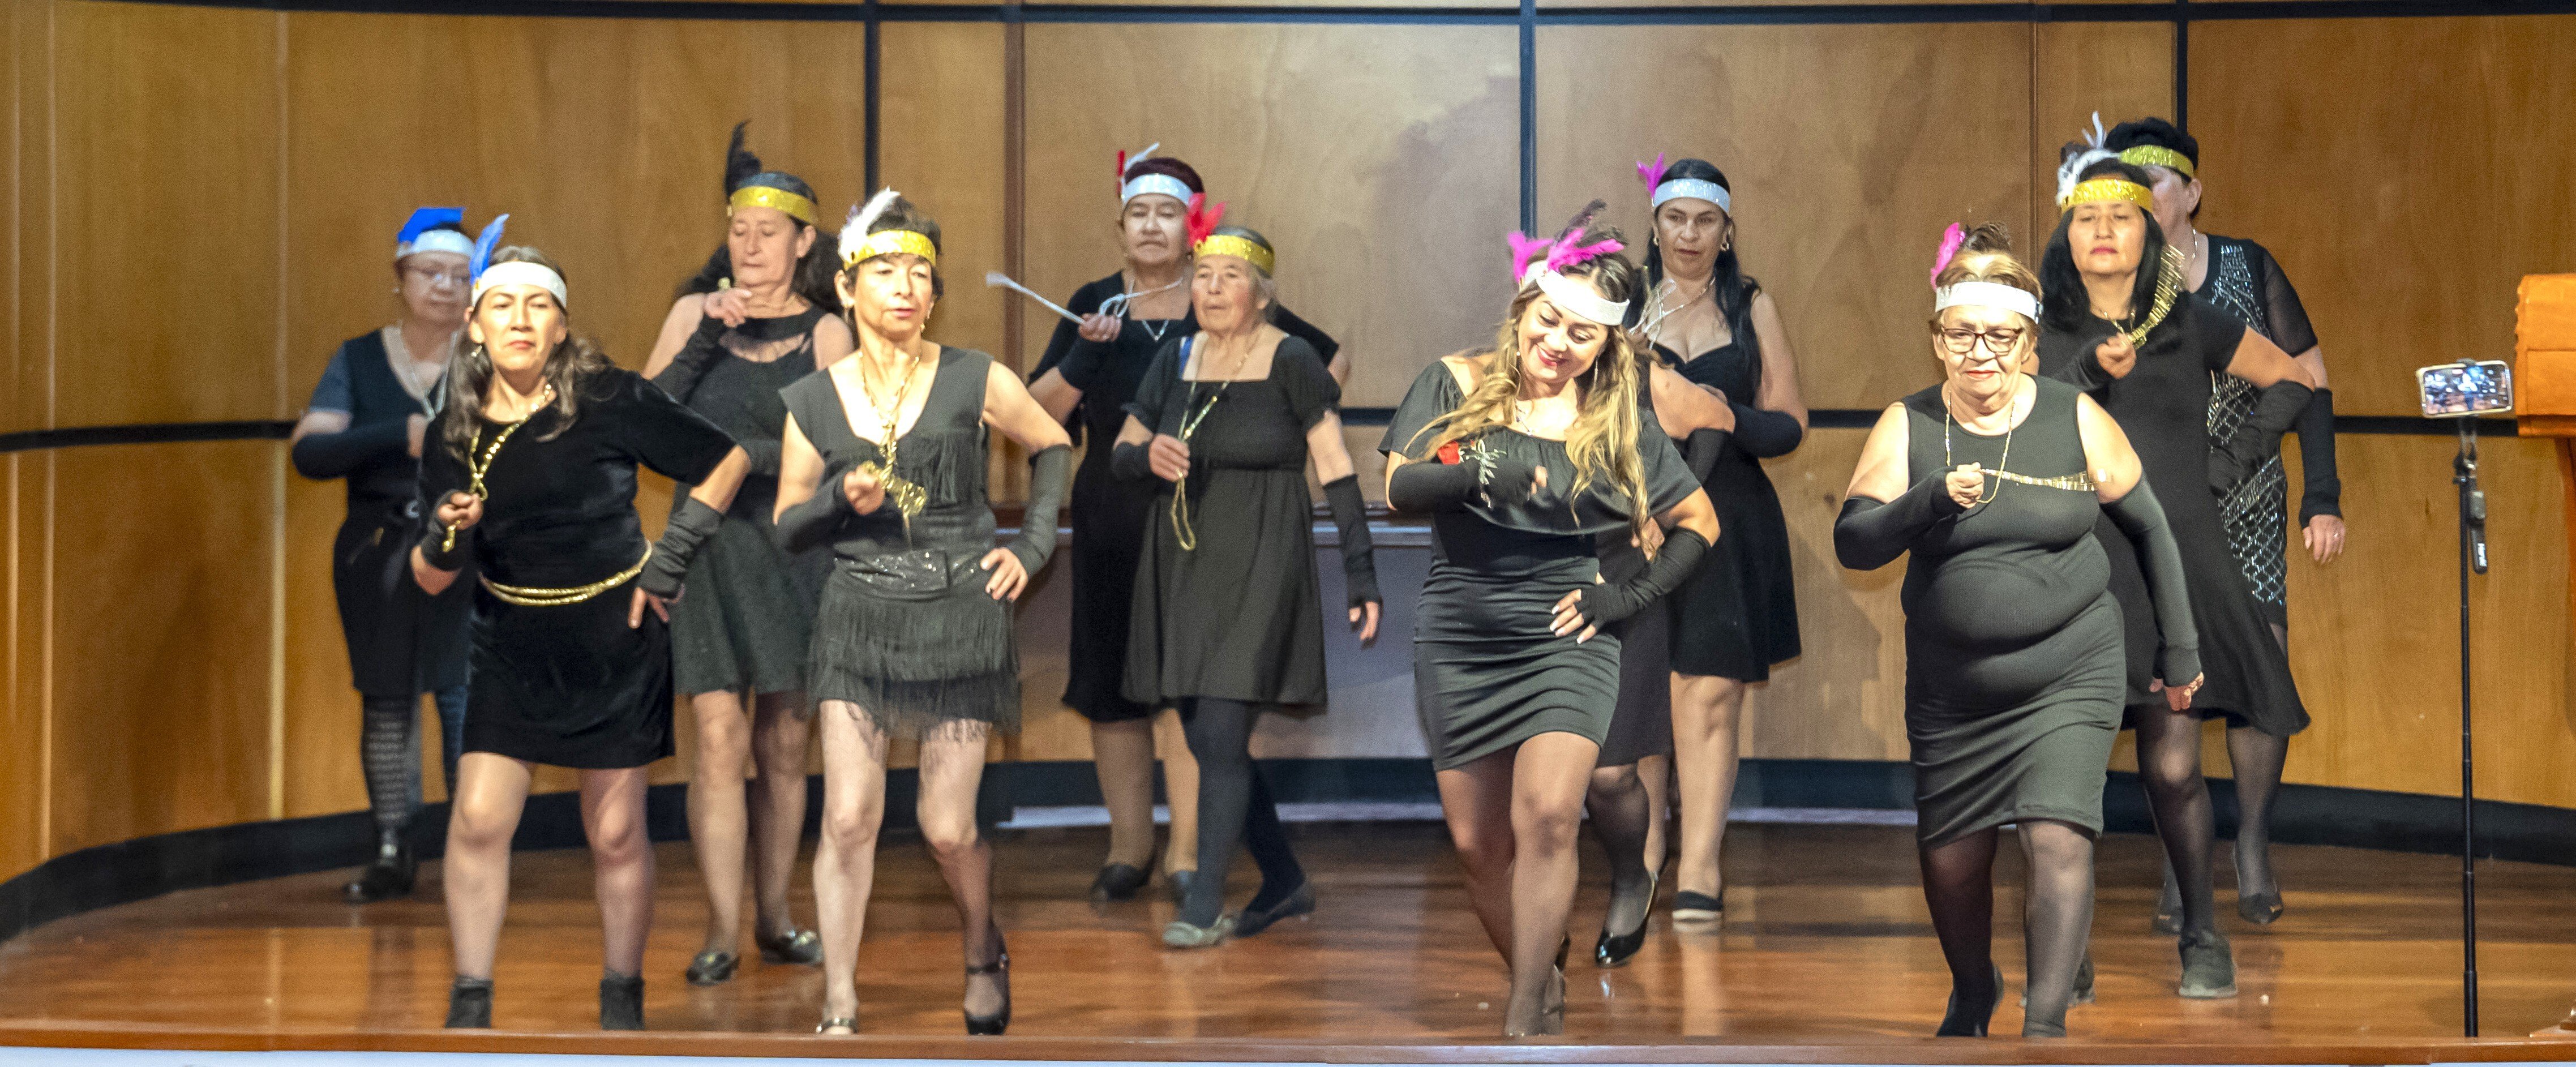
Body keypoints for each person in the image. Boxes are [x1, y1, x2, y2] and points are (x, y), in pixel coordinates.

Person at [1835, 223, 2200, 1038]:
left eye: (2000, 336)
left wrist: (2180, 650)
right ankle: (1975, 988)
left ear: (2029, 346)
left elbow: (2150, 526)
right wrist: (1927, 499)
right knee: (1952, 864)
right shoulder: (1908, 423)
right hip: (1952, 691)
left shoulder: (2074, 416)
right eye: (1962, 334)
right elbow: (1854, 542)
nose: (1981, 352)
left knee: (2058, 836)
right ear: (1937, 340)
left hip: (2069, 669)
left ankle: (2044, 1033)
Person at [1379, 206, 1719, 1035]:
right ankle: (1542, 973)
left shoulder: (1616, 418)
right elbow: (1397, 486)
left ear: (1605, 345)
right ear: (1524, 307)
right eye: (1549, 319)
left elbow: (1698, 522)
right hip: (1460, 630)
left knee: (1547, 816)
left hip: (1567, 631)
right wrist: (1472, 469)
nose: (1558, 342)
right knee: (1477, 846)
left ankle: (1525, 1012)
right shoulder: (1453, 383)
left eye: (1582, 333)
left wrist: (1624, 599)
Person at [413, 232, 752, 1031]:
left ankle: (621, 1002)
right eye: (502, 305)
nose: (520, 319)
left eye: (538, 305)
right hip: (510, 642)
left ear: (561, 326)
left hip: (613, 638)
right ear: (475, 324)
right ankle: (470, 1006)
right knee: (478, 817)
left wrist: (671, 558)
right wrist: (445, 532)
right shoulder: (451, 430)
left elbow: (726, 459)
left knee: (615, 832)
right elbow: (430, 577)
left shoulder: (608, 398)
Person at [773, 190, 1073, 1036]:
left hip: (959, 611)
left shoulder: (976, 376)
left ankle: (982, 946)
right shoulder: (813, 398)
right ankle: (839, 1001)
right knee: (846, 817)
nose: (906, 287)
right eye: (886, 271)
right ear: (846, 286)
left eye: (920, 274)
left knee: (946, 828)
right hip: (858, 615)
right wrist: (839, 497)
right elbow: (788, 523)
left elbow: (1053, 444)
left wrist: (1032, 547)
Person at [1026, 147, 1344, 903]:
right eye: (1137, 213)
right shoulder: (1092, 303)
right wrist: (1083, 355)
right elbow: (1036, 416)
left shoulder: (1224, 297)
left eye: (1167, 213)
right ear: (1119, 227)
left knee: (1193, 693)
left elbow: (1325, 362)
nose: (1150, 226)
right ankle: (1128, 847)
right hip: (1112, 521)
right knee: (1113, 687)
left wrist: (1271, 432)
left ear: (1193, 228)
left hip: (1204, 527)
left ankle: (1190, 850)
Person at [2036, 155, 2320, 1000]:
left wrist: (2223, 468)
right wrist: (2087, 372)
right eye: (2086, 217)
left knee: (2171, 767)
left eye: (2120, 216)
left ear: (2148, 233)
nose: (2102, 231)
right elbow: (2012, 416)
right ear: (2066, 233)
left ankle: (2202, 935)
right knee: (2063, 773)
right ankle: (2065, 949)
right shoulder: (2035, 325)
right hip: (2072, 568)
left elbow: (2295, 381)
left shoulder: (2188, 320)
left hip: (2169, 569)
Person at [1105, 216, 1381, 947]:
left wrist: (1361, 572)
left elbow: (1335, 467)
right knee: (1208, 738)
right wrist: (1146, 457)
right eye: (1202, 276)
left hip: (1262, 561)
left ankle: (1203, 902)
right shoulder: (1174, 359)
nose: (1212, 288)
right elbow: (1122, 451)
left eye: (1230, 277)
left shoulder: (1291, 358)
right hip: (1183, 567)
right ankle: (1284, 879)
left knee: (1222, 730)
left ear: (1261, 294)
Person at [2104, 117, 2344, 928]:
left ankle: (2251, 843)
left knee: (2257, 668)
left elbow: (2308, 378)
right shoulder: (2112, 284)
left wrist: (2322, 495)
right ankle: (2185, 863)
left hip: (2244, 504)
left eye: (2153, 183)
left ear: (2191, 192)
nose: (2139, 201)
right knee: (2169, 683)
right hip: (2155, 513)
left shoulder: (2246, 266)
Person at [640, 124, 854, 986]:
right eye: (739, 230)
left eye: (769, 232)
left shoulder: (828, 332)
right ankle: (721, 928)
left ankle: (776, 914)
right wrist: (704, 336)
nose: (751, 245)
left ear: (804, 243)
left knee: (785, 743)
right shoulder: (692, 314)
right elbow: (645, 425)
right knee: (718, 738)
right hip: (708, 550)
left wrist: (743, 459)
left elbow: (837, 449)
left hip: (793, 548)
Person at [1630, 157, 1807, 926]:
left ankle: (1700, 863)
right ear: (1654, 224)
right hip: (1633, 519)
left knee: (1706, 695)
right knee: (1641, 692)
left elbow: (1789, 424)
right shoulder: (1622, 303)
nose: (1689, 234)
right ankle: (1643, 854)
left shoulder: (1751, 305)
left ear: (1726, 230)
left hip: (1727, 521)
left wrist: (1724, 415)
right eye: (1675, 218)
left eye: (1706, 221)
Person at [292, 209, 480, 905]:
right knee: (387, 698)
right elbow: (311, 451)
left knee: (464, 698)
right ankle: (392, 846)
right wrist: (397, 434)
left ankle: (472, 843)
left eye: (460, 276)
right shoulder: (360, 358)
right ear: (401, 278)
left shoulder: (487, 357)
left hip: (469, 550)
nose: (446, 287)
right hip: (378, 549)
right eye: (431, 273)